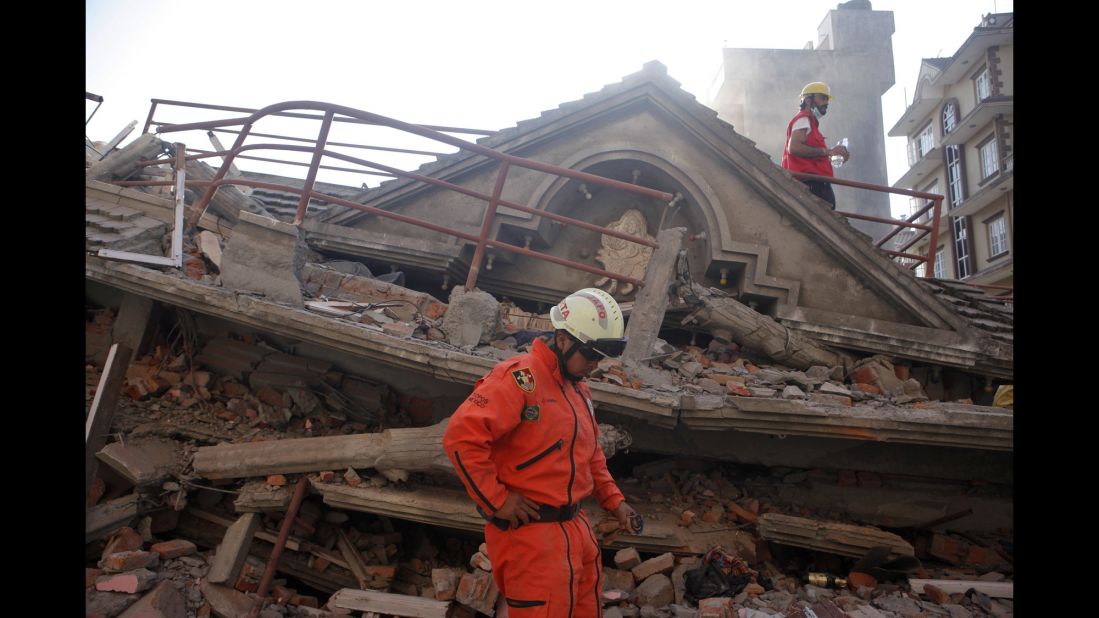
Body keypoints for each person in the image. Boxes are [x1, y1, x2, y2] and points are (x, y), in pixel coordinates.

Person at [443, 287, 642, 616]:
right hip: (531, 539)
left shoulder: (578, 388)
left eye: (601, 357)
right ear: (563, 339)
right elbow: (461, 438)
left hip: (576, 530)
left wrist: (615, 501)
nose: (595, 364)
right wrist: (498, 500)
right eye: (590, 354)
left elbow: (590, 453)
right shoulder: (518, 379)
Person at [781, 81, 850, 209]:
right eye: (822, 98)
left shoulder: (810, 123)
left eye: (827, 99)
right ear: (808, 100)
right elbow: (794, 147)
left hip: (815, 183)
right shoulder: (804, 118)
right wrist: (826, 152)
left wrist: (835, 156)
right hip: (811, 184)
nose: (826, 103)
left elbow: (815, 155)